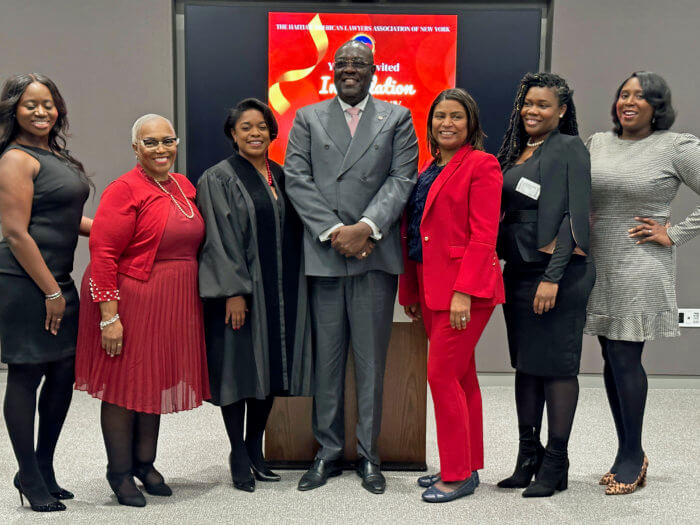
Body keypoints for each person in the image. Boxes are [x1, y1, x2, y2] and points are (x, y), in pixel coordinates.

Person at [284, 40, 418, 494]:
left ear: (374, 70)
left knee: (371, 362)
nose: (349, 70)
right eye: (342, 63)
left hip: (373, 255)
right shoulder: (307, 117)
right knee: (327, 362)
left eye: (358, 64)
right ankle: (326, 452)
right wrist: (334, 232)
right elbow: (296, 179)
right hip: (325, 253)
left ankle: (369, 455)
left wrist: (365, 227)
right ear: (332, 69)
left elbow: (402, 180)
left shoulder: (397, 118)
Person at [74, 114, 209, 507]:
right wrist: (109, 317)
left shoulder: (183, 186)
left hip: (174, 300)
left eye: (167, 140)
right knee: (123, 387)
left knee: (153, 382)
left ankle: (144, 463)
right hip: (131, 299)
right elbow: (102, 255)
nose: (161, 149)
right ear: (135, 148)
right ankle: (119, 472)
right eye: (150, 142)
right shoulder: (124, 189)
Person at [585, 71, 700, 495]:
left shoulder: (674, 146)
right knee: (610, 357)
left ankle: (632, 455)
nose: (628, 102)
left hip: (639, 263)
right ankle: (627, 449)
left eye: (640, 96)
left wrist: (675, 232)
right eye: (623, 94)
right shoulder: (598, 142)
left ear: (657, 106)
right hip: (598, 262)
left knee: (624, 355)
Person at [196, 98, 312, 493]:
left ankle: (254, 447)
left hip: (280, 294)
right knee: (238, 370)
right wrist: (233, 293)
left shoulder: (281, 176)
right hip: (241, 295)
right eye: (245, 127)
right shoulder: (218, 178)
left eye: (261, 126)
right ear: (233, 134)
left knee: (270, 371)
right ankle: (237, 453)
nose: (255, 133)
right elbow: (219, 239)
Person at [399, 88, 504, 502]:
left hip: (465, 290)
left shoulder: (483, 165)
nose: (447, 123)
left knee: (441, 375)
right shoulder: (428, 169)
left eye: (456, 116)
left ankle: (457, 474)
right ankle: (467, 461)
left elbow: (484, 235)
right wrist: (410, 288)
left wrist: (464, 292)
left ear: (471, 123)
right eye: (440, 116)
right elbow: (414, 234)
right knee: (462, 376)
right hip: (429, 284)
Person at [495, 72, 595, 497]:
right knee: (526, 366)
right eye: (528, 103)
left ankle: (556, 461)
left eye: (543, 105)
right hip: (517, 271)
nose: (532, 111)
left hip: (557, 272)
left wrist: (552, 277)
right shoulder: (516, 152)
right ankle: (527, 457)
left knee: (555, 367)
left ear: (561, 111)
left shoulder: (569, 147)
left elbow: (575, 215)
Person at [0, 74, 91, 512]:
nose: (41, 112)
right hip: (25, 282)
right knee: (26, 374)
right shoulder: (15, 158)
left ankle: (44, 467)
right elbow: (17, 233)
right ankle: (29, 477)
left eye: (48, 104)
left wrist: (116, 232)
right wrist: (51, 292)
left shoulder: (54, 154)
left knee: (61, 376)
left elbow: (64, 217)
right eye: (30, 104)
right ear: (13, 109)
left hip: (57, 278)